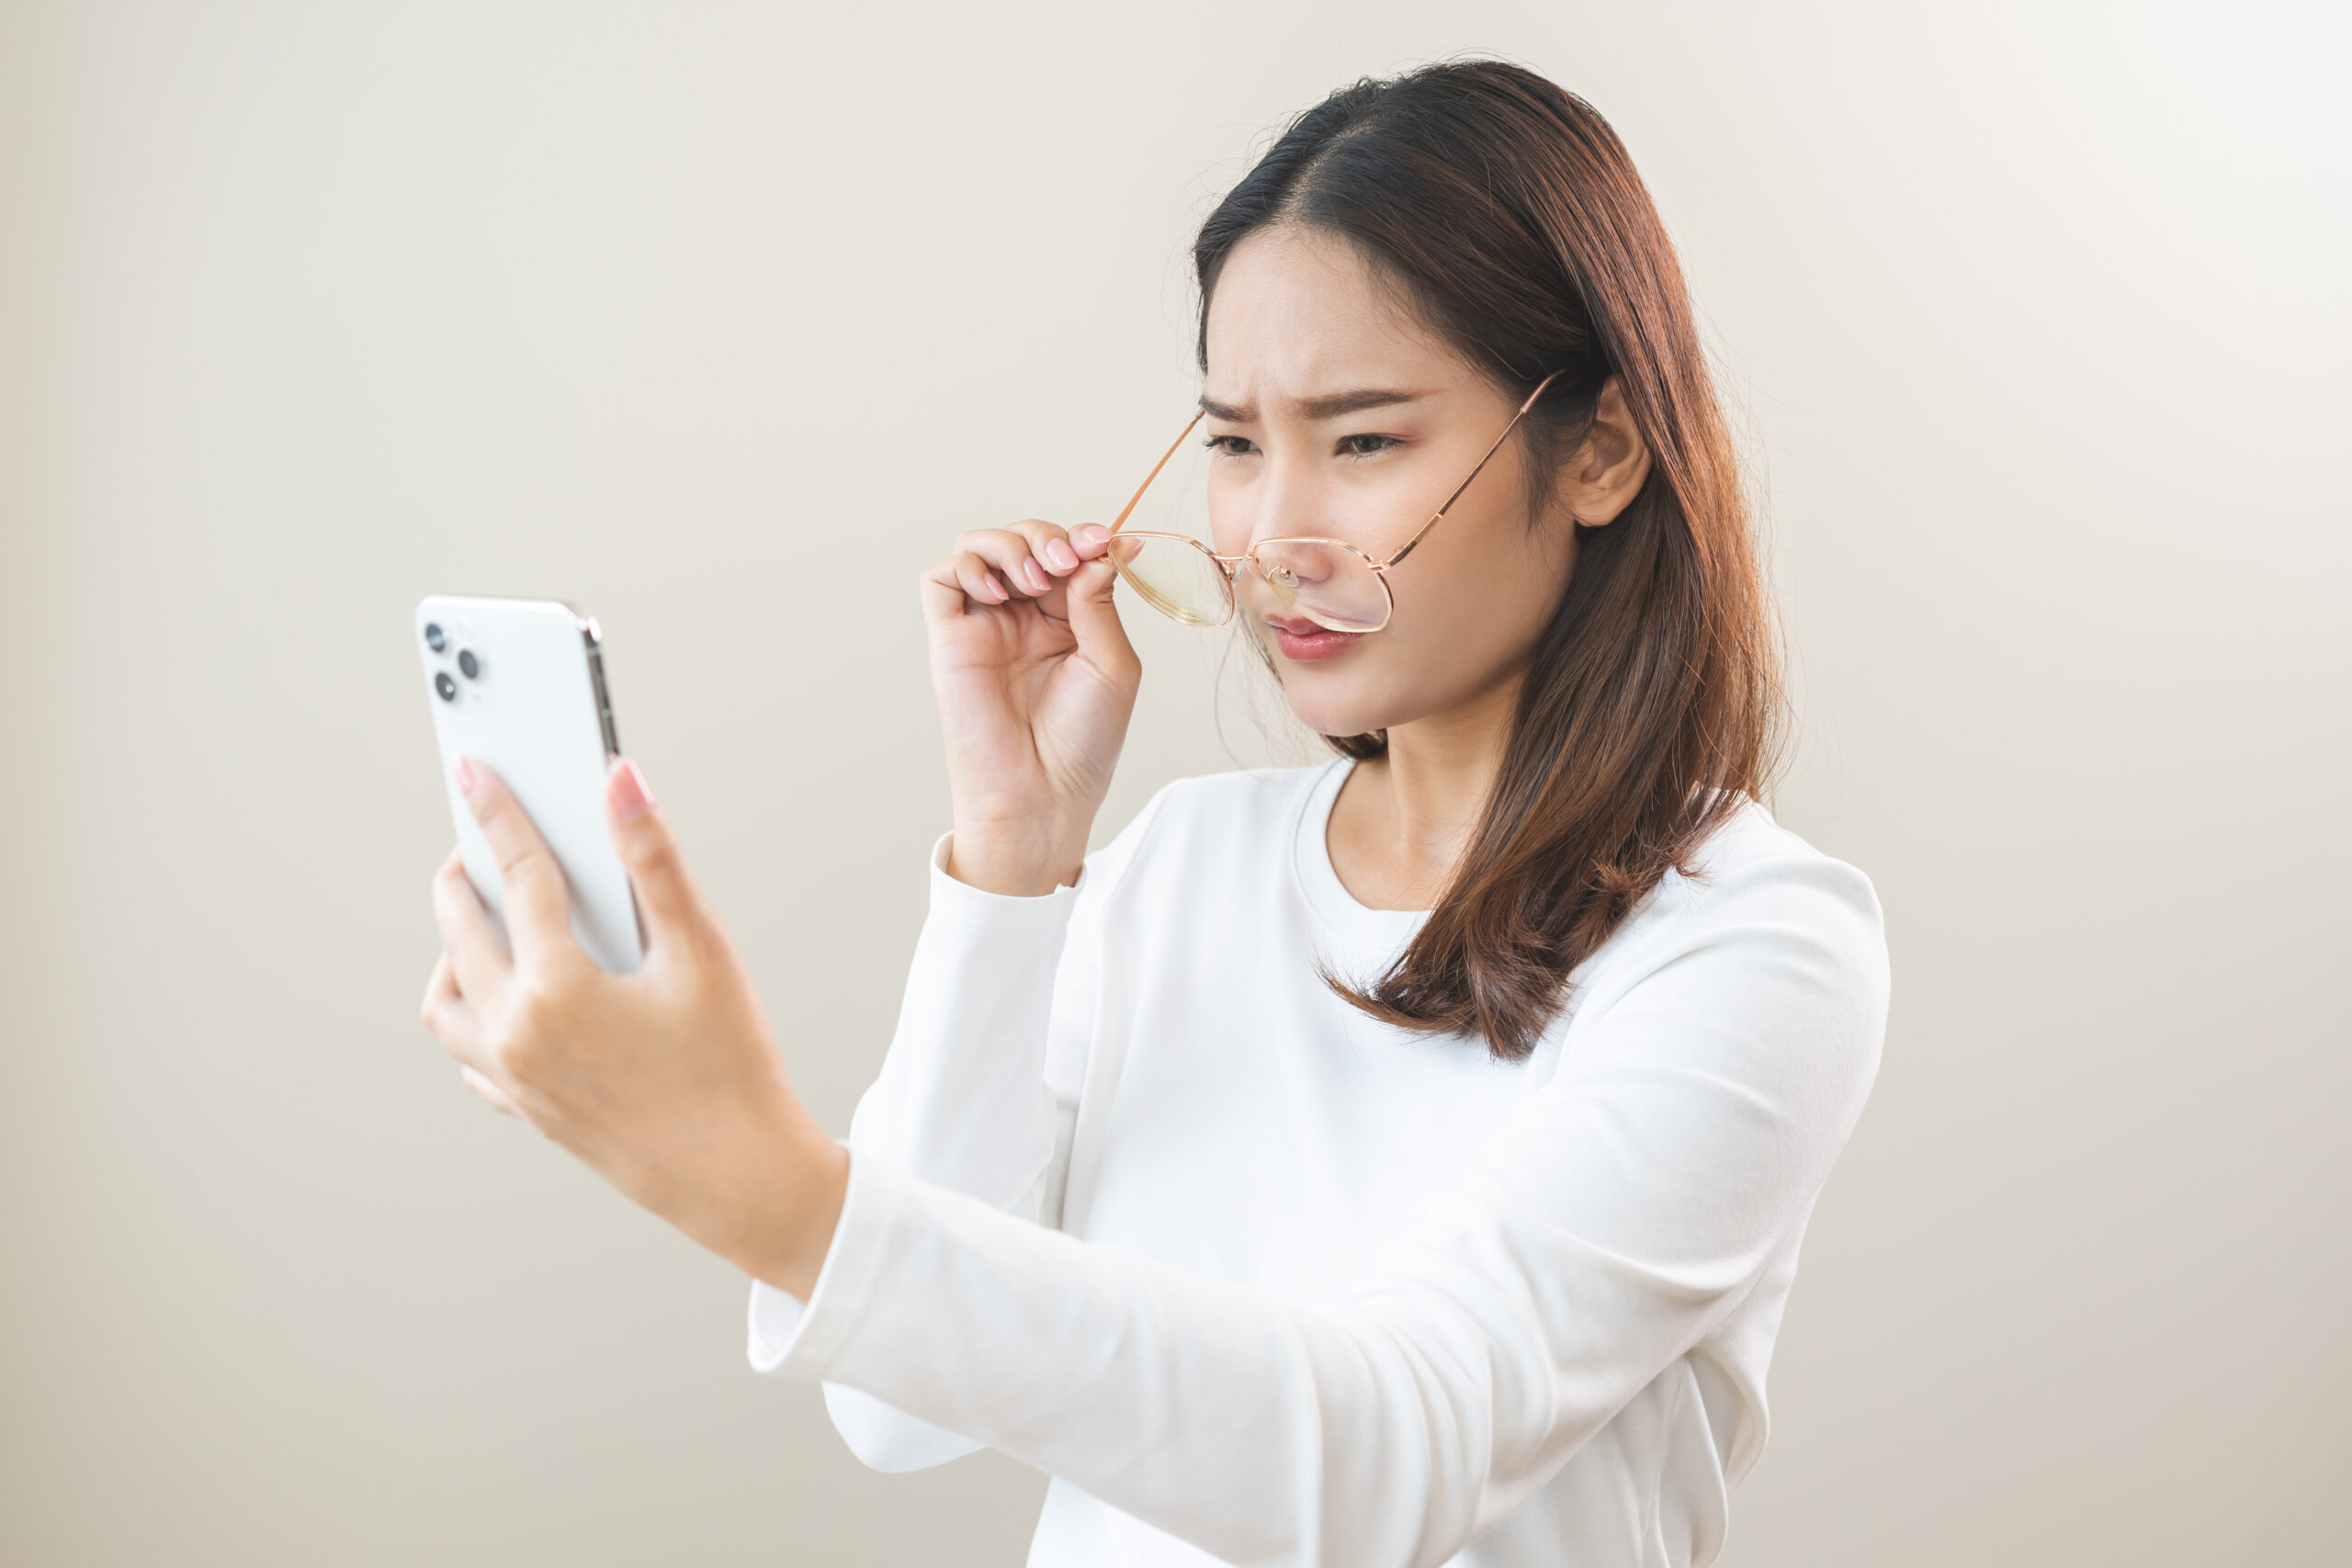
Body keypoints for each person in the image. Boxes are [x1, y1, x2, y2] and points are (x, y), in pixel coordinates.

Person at [421, 59, 1889, 1568]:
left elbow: (1396, 1459)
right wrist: (1013, 865)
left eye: (1365, 440)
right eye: (1238, 444)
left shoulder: (1753, 942)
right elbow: (890, 1407)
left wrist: (766, 1186)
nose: (1275, 539)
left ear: (1599, 449)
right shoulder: (1187, 866)